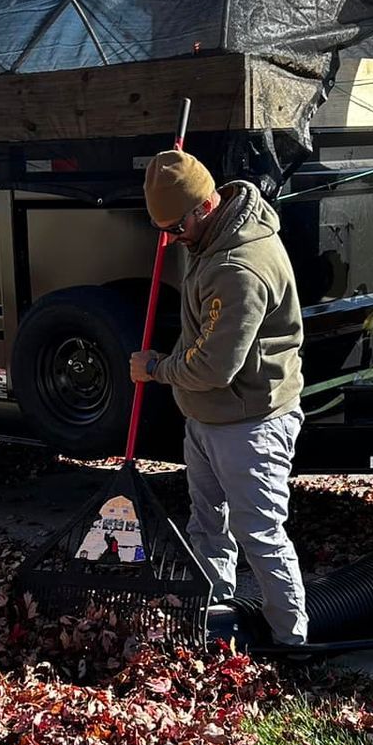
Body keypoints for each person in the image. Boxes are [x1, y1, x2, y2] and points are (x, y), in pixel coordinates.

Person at [131, 150, 307, 647]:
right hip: (209, 418)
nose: (170, 238)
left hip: (249, 423)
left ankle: (294, 644)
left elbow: (214, 366)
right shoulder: (212, 237)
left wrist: (156, 368)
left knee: (260, 535)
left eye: (174, 226)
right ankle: (215, 614)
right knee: (207, 524)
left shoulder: (239, 268)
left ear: (204, 208)